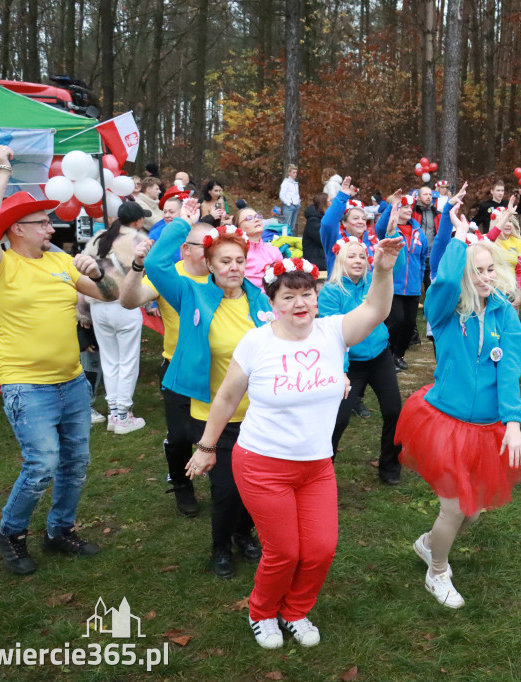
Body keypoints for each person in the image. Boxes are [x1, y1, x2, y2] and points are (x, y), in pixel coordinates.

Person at [185, 229, 401, 648]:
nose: (300, 304)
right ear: (273, 302)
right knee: (284, 552)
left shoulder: (332, 332)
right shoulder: (256, 342)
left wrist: (384, 270)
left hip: (316, 466)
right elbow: (227, 395)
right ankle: (262, 610)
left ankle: (296, 610)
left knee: (319, 550)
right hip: (263, 464)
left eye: (306, 294)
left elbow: (376, 308)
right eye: (288, 296)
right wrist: (207, 447)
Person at [0, 145, 118, 574]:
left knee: (76, 464)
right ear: (15, 229)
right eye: (40, 223)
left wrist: (97, 274)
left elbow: (112, 298)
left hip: (73, 383)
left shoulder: (59, 260)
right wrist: (3, 170)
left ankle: (59, 531)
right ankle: (10, 532)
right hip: (27, 385)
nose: (51, 228)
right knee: (42, 465)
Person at [397, 197, 521, 609]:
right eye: (478, 271)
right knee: (454, 507)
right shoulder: (445, 313)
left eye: (491, 269)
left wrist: (512, 421)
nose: (486, 278)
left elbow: (509, 371)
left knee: (472, 511)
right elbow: (445, 282)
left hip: (488, 427)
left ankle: (429, 544)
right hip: (445, 422)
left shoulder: (505, 315)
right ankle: (437, 572)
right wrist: (457, 239)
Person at [145, 199, 270, 579]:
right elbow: (154, 265)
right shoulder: (192, 294)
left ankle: (242, 533)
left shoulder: (260, 299)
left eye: (238, 261)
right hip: (212, 414)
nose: (233, 268)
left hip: (258, 412)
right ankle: (220, 547)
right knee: (227, 489)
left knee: (255, 486)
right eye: (224, 261)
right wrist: (182, 226)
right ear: (210, 265)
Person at [119, 222, 213, 517]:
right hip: (179, 369)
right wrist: (137, 266)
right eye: (206, 245)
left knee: (220, 430)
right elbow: (128, 300)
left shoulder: (221, 277)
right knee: (182, 434)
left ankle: (225, 482)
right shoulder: (167, 276)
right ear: (185, 249)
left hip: (220, 368)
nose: (213, 251)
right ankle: (182, 485)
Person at [319, 232, 404, 485]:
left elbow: (392, 272)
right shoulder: (331, 293)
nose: (358, 260)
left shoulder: (372, 284)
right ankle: (322, 470)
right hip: (349, 364)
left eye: (361, 256)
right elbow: (334, 337)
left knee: (394, 411)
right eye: (351, 256)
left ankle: (390, 466)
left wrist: (388, 253)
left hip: (379, 358)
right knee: (339, 419)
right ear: (341, 261)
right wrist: (342, 370)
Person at [81, 201, 149, 434]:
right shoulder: (137, 239)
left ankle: (113, 412)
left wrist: (81, 309)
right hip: (124, 304)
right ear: (138, 220)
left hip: (98, 304)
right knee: (128, 359)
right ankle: (123, 414)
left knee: (109, 360)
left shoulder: (99, 237)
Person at [376, 191, 433, 371]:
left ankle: (399, 355)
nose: (409, 210)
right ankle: (387, 355)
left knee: (409, 323)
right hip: (394, 286)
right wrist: (391, 207)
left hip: (413, 287)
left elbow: (423, 256)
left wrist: (420, 279)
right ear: (396, 210)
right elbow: (380, 227)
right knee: (396, 321)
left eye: (410, 207)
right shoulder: (388, 230)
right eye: (404, 206)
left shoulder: (418, 231)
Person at [486, 196, 521, 300]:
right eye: (504, 221)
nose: (508, 224)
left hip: (510, 290)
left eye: (510, 221)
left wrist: (518, 296)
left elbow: (520, 271)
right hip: (492, 289)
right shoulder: (488, 240)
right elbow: (490, 237)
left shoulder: (517, 242)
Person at [235, 207, 283, 290]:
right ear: (239, 229)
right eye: (249, 218)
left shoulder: (274, 251)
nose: (256, 220)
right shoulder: (235, 254)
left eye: (257, 216)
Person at [302, 194, 328, 268]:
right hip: (317, 261)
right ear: (324, 204)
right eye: (330, 200)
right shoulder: (313, 221)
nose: (332, 203)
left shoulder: (322, 218)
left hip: (324, 259)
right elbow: (322, 239)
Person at [279, 165, 301, 233]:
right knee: (287, 225)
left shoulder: (295, 183)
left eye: (296, 173)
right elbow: (282, 195)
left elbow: (296, 194)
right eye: (293, 172)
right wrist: (288, 203)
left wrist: (298, 202)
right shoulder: (286, 183)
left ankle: (290, 238)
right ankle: (285, 239)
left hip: (296, 205)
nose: (295, 174)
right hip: (289, 206)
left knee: (292, 225)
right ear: (289, 173)